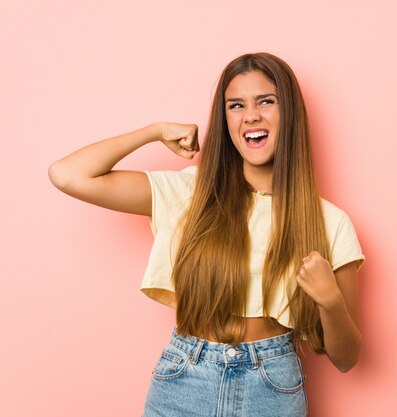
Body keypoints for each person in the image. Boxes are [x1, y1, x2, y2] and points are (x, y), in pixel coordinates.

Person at [48, 52, 365, 417]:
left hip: (273, 386)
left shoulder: (329, 222)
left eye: (266, 101)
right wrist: (153, 131)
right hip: (185, 379)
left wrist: (330, 302)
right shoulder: (191, 193)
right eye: (236, 105)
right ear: (224, 118)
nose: (251, 116)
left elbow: (347, 359)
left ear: (289, 112)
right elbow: (68, 174)